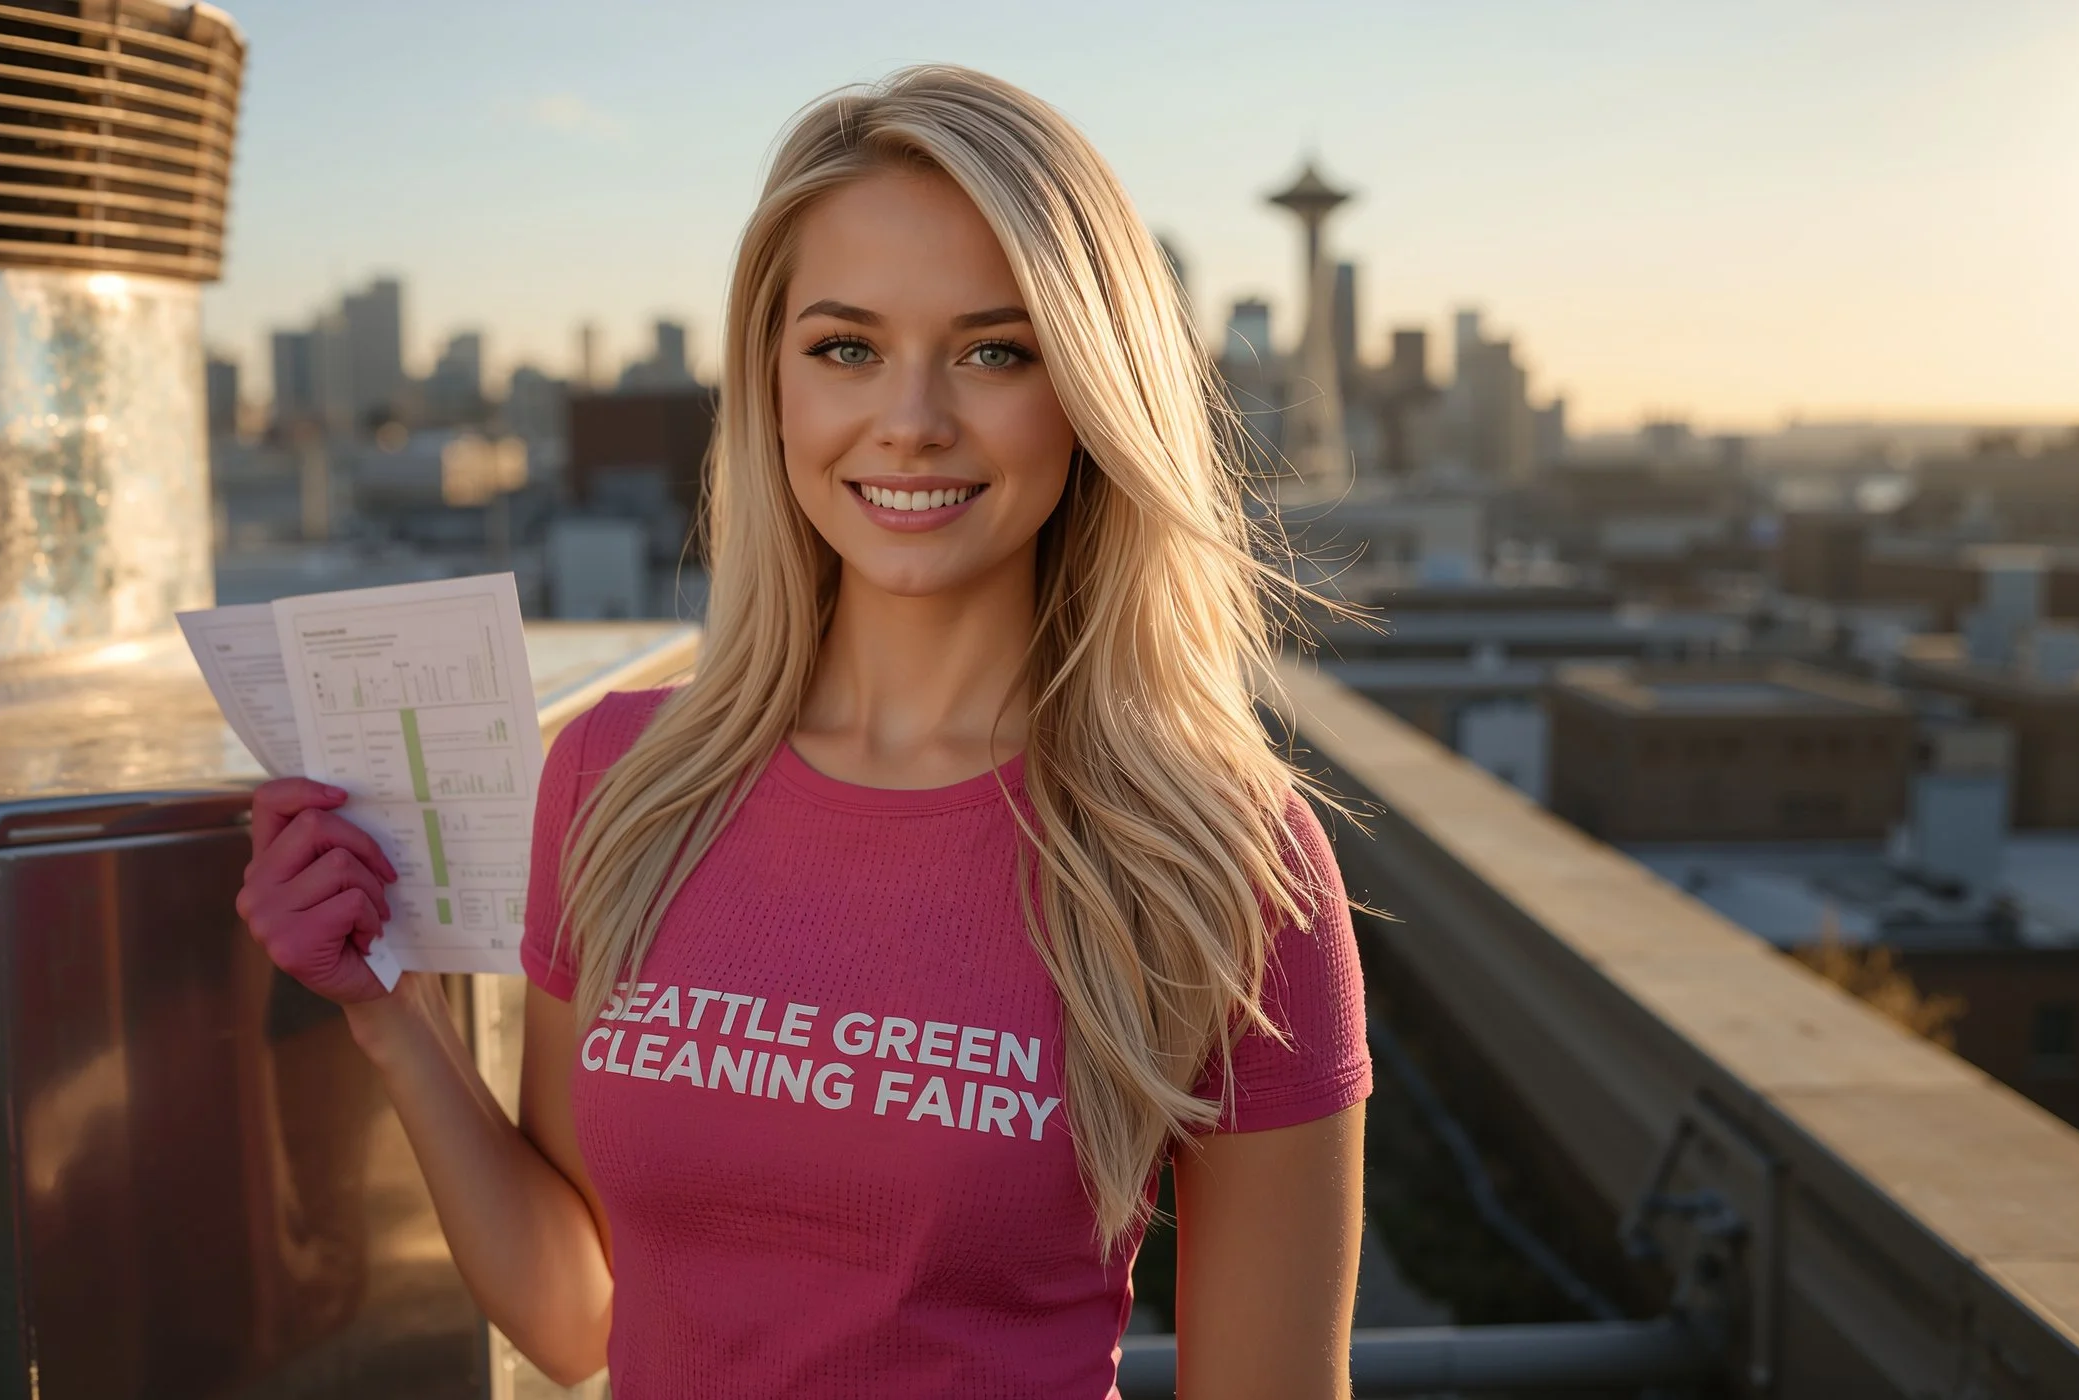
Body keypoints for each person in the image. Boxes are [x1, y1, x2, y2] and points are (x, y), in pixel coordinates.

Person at [237, 64, 1371, 1399]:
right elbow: (578, 1318)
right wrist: (396, 1018)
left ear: (1088, 391)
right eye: (847, 348)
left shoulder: (1225, 865)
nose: (911, 420)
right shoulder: (619, 783)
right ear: (771, 384)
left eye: (996, 351)